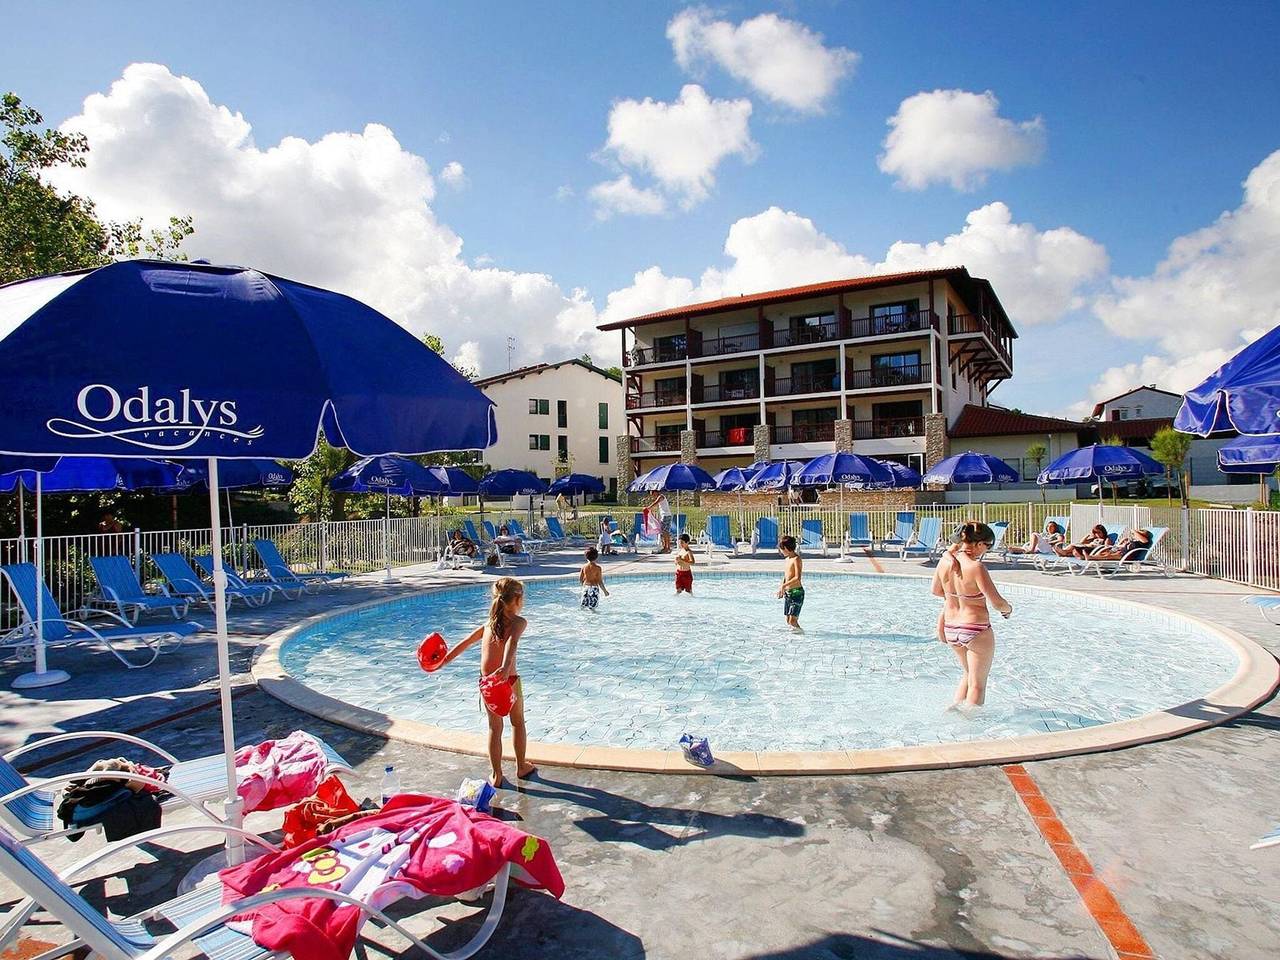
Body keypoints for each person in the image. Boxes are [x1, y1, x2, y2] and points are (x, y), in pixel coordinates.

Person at [439, 577, 536, 788]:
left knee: (494, 728)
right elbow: (512, 642)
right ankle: (521, 766)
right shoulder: (519, 622)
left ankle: (496, 774)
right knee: (517, 722)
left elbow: (464, 644)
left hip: (488, 682)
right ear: (517, 599)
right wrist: (505, 665)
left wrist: (443, 661)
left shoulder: (487, 625)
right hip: (507, 679)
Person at [931, 521, 1013, 710]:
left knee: (968, 675)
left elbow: (936, 591)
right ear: (978, 544)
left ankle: (955, 709)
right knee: (978, 684)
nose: (987, 550)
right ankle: (971, 724)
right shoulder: (976, 567)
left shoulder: (945, 562)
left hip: (952, 628)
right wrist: (1008, 610)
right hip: (975, 629)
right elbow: (997, 602)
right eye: (987, 545)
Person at [776, 535, 804, 632]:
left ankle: (802, 636)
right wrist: (782, 587)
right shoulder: (787, 559)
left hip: (797, 593)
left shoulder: (796, 559)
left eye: (782, 549)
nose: (781, 551)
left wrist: (784, 586)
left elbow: (797, 578)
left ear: (787, 548)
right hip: (788, 593)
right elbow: (786, 576)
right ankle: (795, 637)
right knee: (788, 620)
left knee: (792, 621)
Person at [1086, 527, 1152, 562]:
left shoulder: (1144, 541)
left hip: (1126, 555)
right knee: (1105, 554)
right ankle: (1091, 558)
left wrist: (1134, 531)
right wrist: (1124, 542)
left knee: (1110, 555)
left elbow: (1143, 540)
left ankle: (1091, 557)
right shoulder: (1135, 541)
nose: (1134, 535)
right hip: (1121, 552)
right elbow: (1119, 545)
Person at [579, 546, 610, 611]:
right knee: (592, 609)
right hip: (594, 589)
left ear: (586, 556)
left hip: (586, 588)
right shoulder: (598, 568)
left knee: (583, 607)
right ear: (596, 557)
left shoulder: (584, 567)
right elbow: (600, 582)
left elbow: (580, 579)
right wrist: (605, 591)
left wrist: (583, 587)